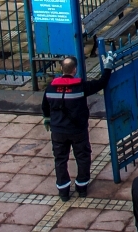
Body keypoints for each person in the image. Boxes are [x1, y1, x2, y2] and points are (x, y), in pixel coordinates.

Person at [42, 53, 114, 201]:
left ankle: (63, 191)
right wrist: (108, 67)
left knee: (60, 159)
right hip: (77, 130)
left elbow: (45, 107)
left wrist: (48, 119)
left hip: (58, 131)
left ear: (61, 68)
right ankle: (81, 188)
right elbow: (101, 83)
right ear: (74, 70)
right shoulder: (80, 86)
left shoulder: (50, 87)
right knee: (82, 157)